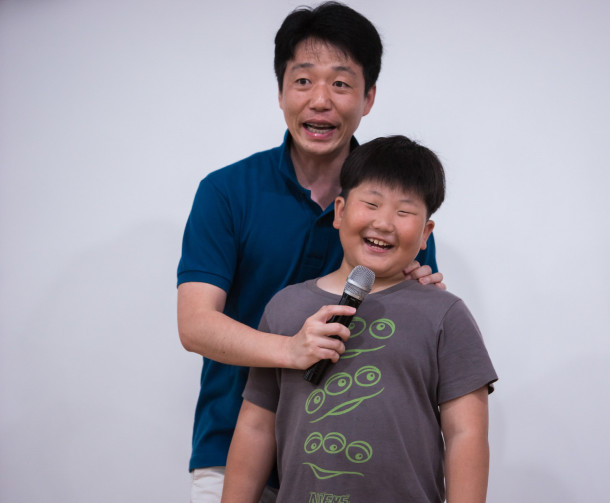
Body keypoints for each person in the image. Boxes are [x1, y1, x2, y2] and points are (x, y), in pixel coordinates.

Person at [176, 3, 443, 501]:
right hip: (230, 448)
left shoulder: (395, 212)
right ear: (280, 92)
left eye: (341, 83)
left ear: (368, 97)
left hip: (349, 463)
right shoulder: (227, 192)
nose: (320, 100)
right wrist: (290, 350)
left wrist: (420, 296)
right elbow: (195, 324)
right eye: (303, 81)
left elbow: (414, 345)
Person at [222, 136, 498, 503]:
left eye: (404, 212)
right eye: (371, 204)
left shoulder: (444, 314)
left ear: (425, 234)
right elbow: (256, 426)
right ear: (339, 212)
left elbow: (467, 433)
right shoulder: (286, 307)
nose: (384, 223)